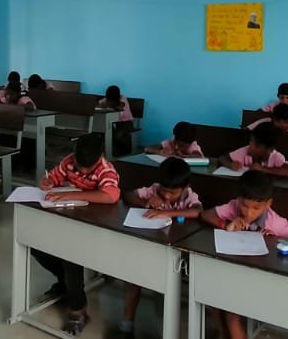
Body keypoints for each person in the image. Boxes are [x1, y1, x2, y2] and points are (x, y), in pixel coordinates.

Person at [33, 136, 120, 336]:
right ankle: (66, 282)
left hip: (96, 226)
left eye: (88, 168)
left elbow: (110, 195)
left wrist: (70, 195)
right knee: (36, 245)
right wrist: (47, 182)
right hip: (70, 221)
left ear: (100, 157)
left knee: (70, 256)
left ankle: (78, 310)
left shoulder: (106, 170)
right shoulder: (69, 161)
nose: (82, 171)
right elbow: (54, 177)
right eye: (79, 166)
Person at [201, 171, 288, 339]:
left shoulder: (274, 222)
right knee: (213, 298)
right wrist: (226, 224)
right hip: (235, 271)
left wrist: (276, 240)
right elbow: (205, 214)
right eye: (245, 206)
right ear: (239, 200)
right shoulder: (233, 207)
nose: (248, 213)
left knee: (231, 315)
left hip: (261, 277)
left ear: (268, 204)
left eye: (256, 208)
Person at [118, 157, 202, 338]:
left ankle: (168, 330)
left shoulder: (189, 195)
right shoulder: (154, 189)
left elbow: (197, 211)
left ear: (185, 188)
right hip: (149, 247)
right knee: (133, 279)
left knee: (165, 290)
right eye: (164, 191)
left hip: (176, 253)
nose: (167, 196)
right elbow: (129, 195)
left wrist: (166, 212)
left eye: (173, 193)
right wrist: (146, 203)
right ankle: (126, 326)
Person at [219, 124, 288, 178]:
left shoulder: (276, 156)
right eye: (251, 141)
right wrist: (230, 164)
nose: (251, 146)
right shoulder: (246, 150)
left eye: (257, 146)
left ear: (270, 149)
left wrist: (262, 169)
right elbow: (222, 158)